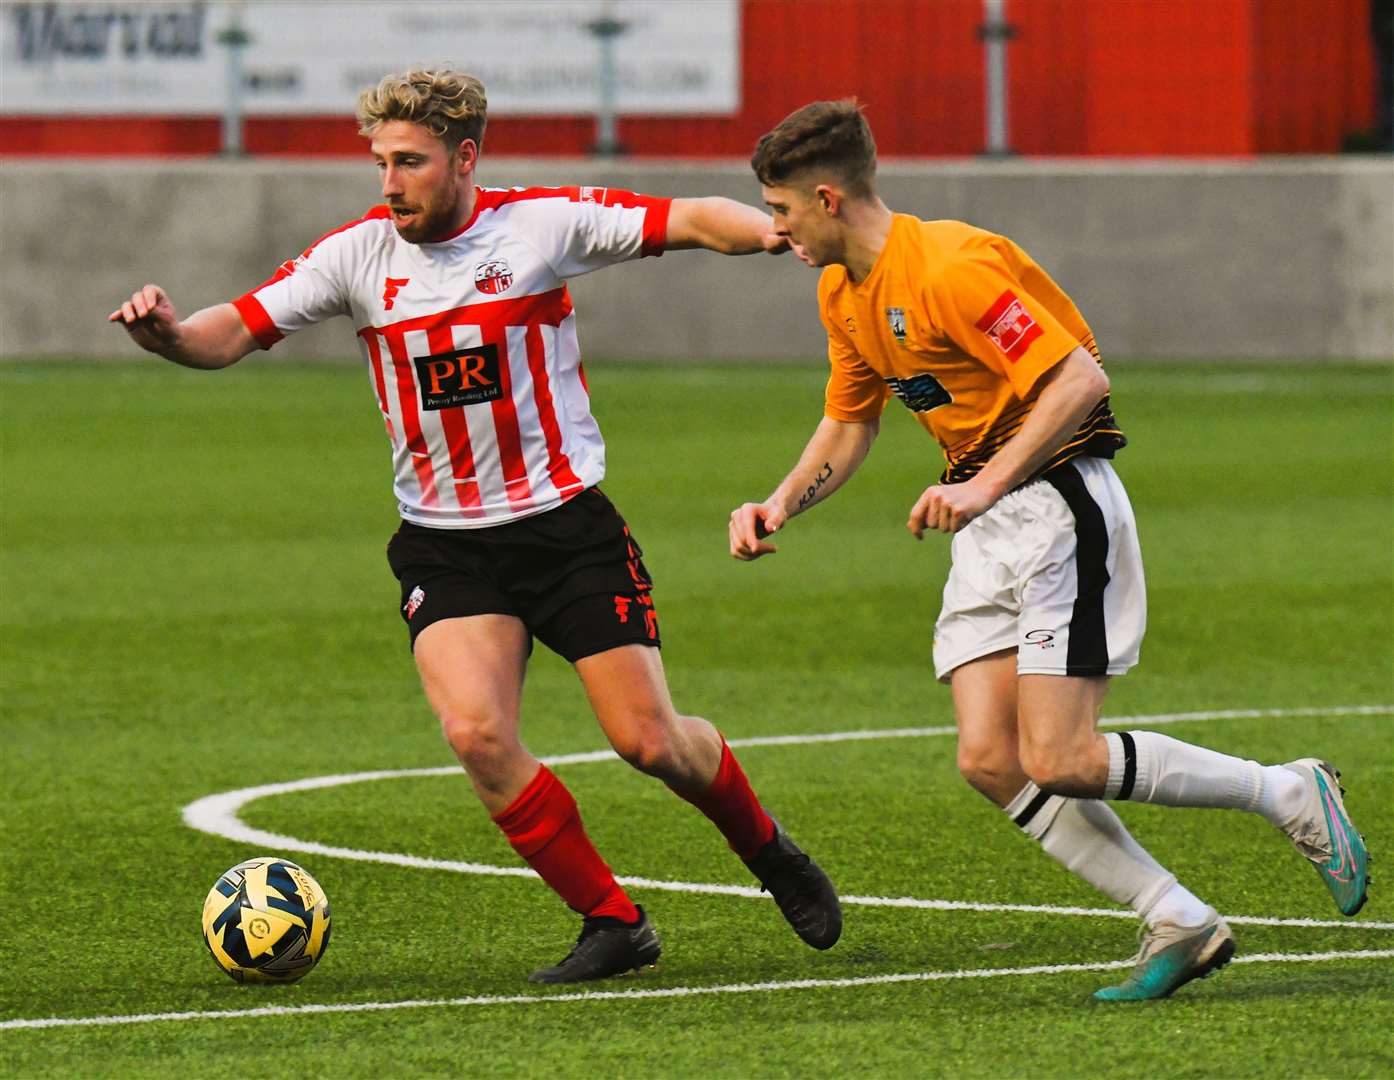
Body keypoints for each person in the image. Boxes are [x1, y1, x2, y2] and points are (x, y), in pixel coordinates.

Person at [109, 68, 841, 985]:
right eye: (381, 162)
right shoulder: (356, 257)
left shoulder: (538, 227)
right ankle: (613, 922)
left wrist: (771, 229)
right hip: (446, 544)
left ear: (464, 158)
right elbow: (235, 328)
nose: (389, 182)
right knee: (476, 735)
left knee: (650, 742)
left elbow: (688, 219)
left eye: (408, 162)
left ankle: (770, 852)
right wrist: (171, 335)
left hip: (565, 529)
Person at [727, 99, 1370, 1002]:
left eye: (781, 210)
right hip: (988, 523)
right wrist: (781, 501)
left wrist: (985, 483)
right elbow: (849, 420)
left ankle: (1289, 792)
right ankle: (1179, 917)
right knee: (990, 758)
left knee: (1060, 757)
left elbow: (1079, 378)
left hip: (1061, 505)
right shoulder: (843, 291)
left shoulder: (951, 266)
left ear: (826, 197)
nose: (776, 229)